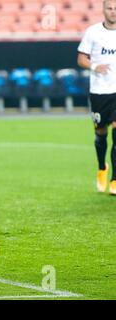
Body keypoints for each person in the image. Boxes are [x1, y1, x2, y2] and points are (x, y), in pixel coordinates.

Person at [78, 0, 116, 195]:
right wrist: (95, 66)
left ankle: (115, 179)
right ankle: (102, 167)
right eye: (110, 8)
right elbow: (81, 58)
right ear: (103, 10)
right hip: (100, 92)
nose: (113, 12)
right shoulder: (93, 32)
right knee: (101, 133)